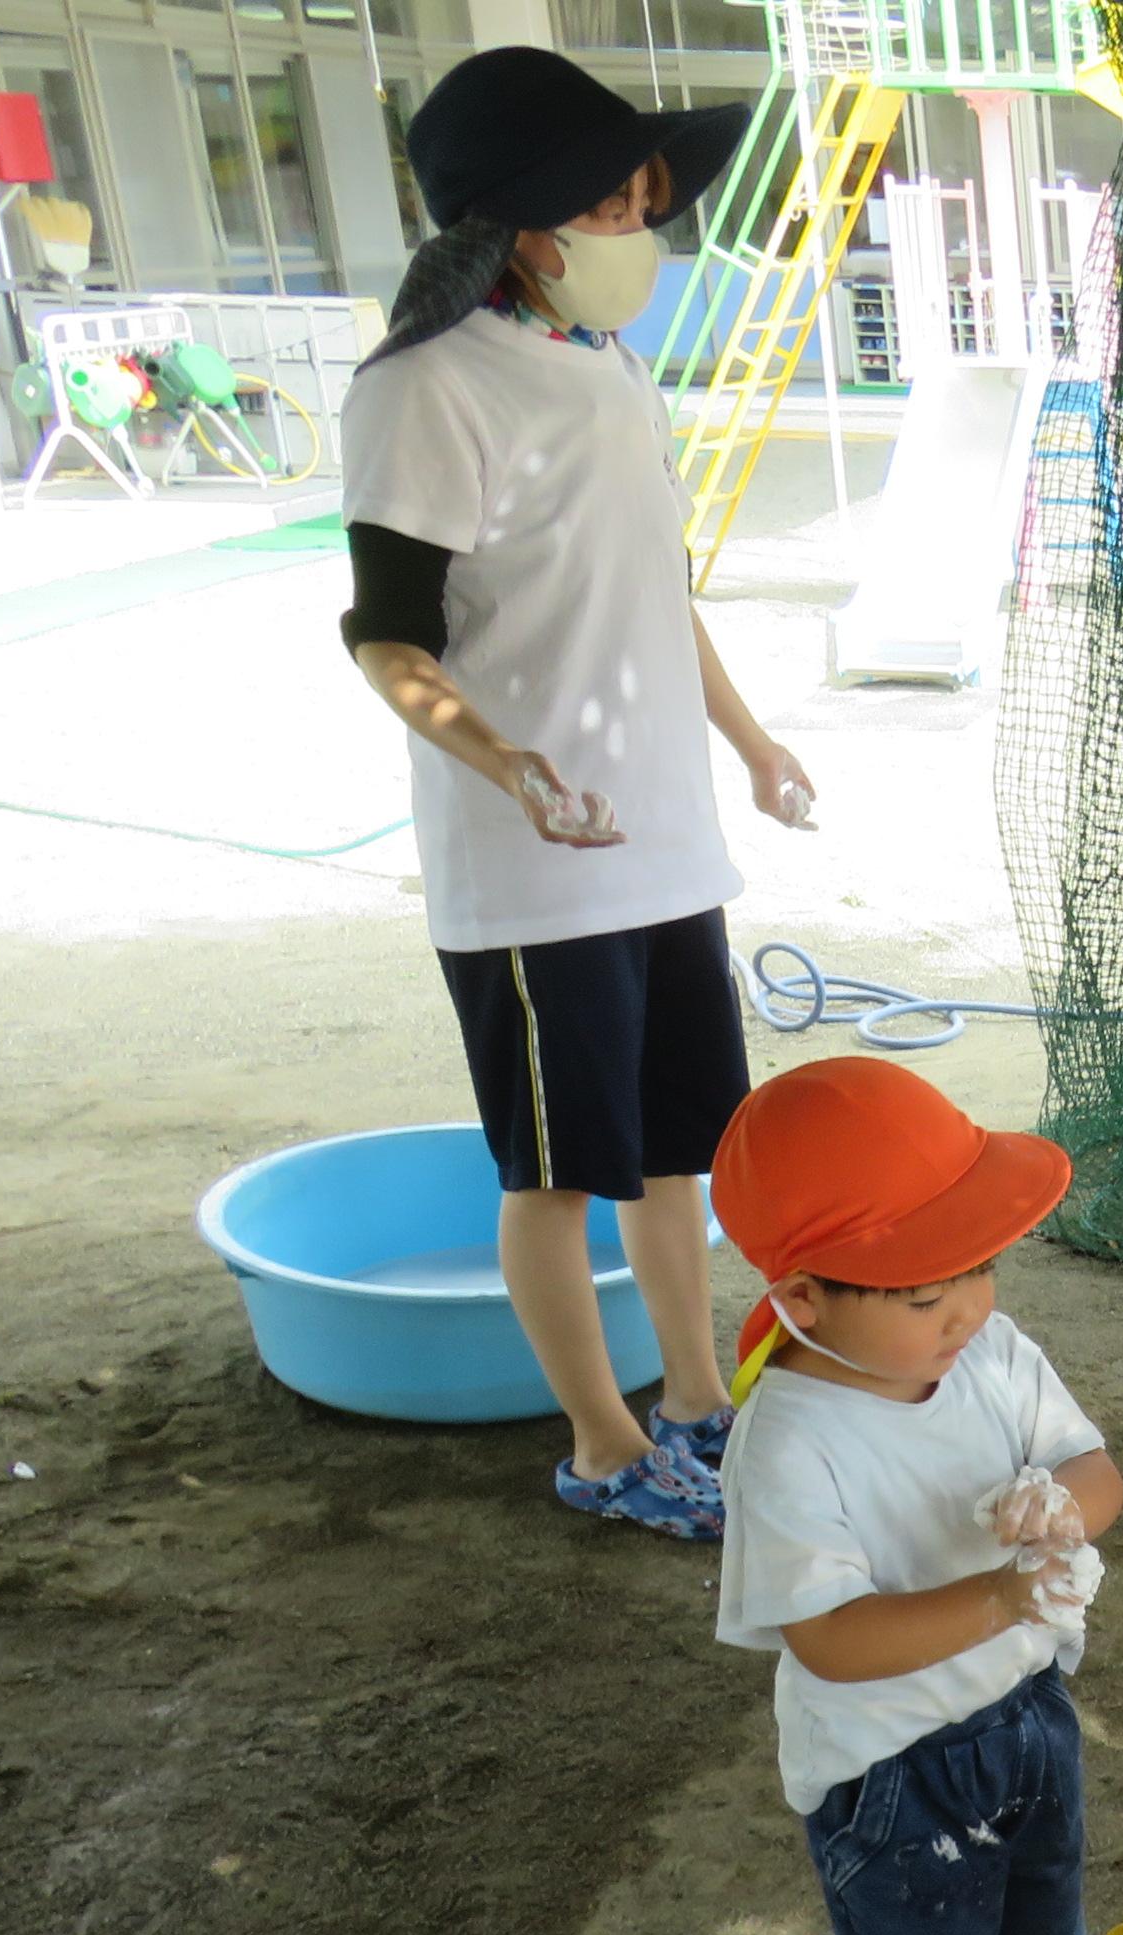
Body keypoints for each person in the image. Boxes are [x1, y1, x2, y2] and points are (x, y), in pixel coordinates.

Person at [340, 47, 813, 1543]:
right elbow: (388, 632)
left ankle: (693, 1405)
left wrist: (749, 740)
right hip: (534, 866)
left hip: (665, 844)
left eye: (643, 200)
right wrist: (505, 764)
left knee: (677, 1149)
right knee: (554, 1170)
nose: (637, 231)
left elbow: (653, 594)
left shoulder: (607, 368)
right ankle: (603, 1449)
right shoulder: (425, 389)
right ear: (528, 229)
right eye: (609, 204)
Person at [708, 1058, 1123, 1935]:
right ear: (804, 1297)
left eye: (975, 1265)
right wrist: (1004, 1594)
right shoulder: (792, 1438)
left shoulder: (992, 1350)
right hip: (892, 1767)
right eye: (920, 1291)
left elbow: (1098, 1468)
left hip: (1026, 1714)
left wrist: (1062, 1506)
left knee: (1038, 1931)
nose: (963, 1307)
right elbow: (832, 1642)